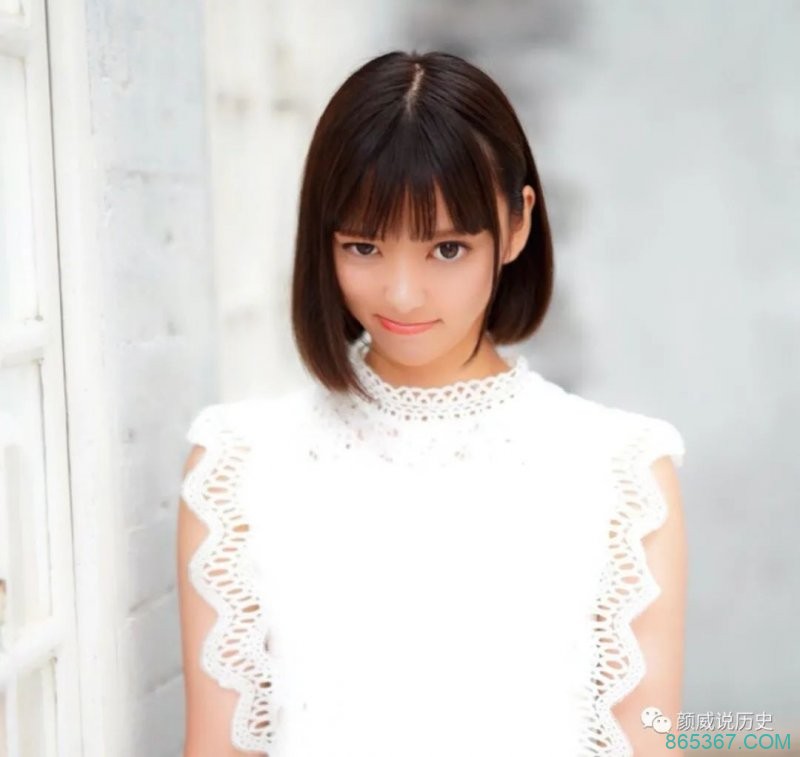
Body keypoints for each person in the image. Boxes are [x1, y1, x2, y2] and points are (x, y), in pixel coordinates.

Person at [176, 50, 687, 757]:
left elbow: (652, 740)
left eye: (446, 249)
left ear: (517, 224)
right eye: (364, 246)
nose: (402, 294)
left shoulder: (621, 472)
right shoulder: (239, 467)